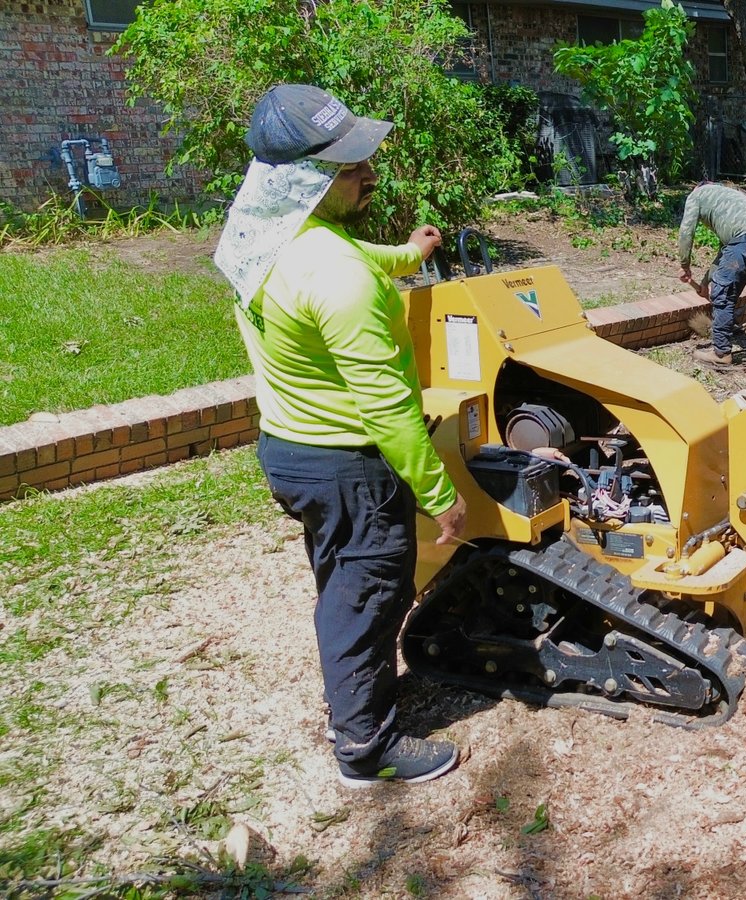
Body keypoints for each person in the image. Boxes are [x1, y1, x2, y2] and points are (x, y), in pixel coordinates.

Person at [213, 84, 464, 788]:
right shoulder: (336, 274)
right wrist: (439, 493)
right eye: (350, 166)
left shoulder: (263, 238)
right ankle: (365, 747)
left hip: (289, 449)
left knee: (342, 580)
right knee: (369, 593)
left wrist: (407, 255)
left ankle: (358, 691)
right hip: (348, 462)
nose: (368, 174)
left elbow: (344, 263)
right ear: (305, 179)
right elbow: (386, 405)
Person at [677, 182, 746, 366]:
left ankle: (721, 353)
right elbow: (727, 250)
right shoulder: (731, 198)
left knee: (722, 294)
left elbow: (686, 231)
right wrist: (706, 281)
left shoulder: (696, 196)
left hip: (745, 242)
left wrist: (684, 264)